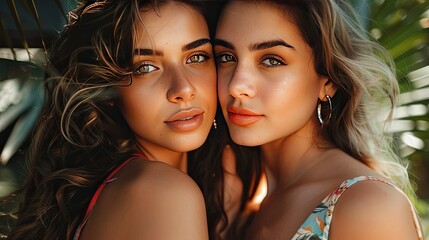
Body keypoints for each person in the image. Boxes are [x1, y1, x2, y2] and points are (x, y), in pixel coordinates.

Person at [4, 0, 256, 239]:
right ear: (109, 90)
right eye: (145, 67)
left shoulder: (116, 188)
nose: (183, 89)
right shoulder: (166, 193)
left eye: (197, 57)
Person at [214, 0, 424, 239]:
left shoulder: (368, 206)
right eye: (226, 57)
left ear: (328, 82)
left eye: (272, 60)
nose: (236, 86)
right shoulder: (247, 204)